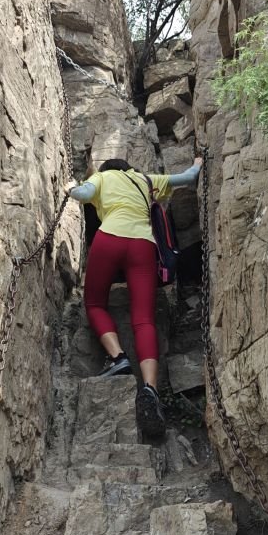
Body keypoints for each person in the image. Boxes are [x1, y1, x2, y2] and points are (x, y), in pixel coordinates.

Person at [66, 156, 202, 436]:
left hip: (109, 239)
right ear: (128, 168)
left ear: (107, 170)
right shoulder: (146, 179)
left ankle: (119, 359)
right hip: (143, 246)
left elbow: (83, 194)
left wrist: (69, 186)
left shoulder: (103, 178)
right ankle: (150, 388)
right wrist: (199, 161)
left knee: (94, 302)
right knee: (144, 319)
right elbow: (188, 177)